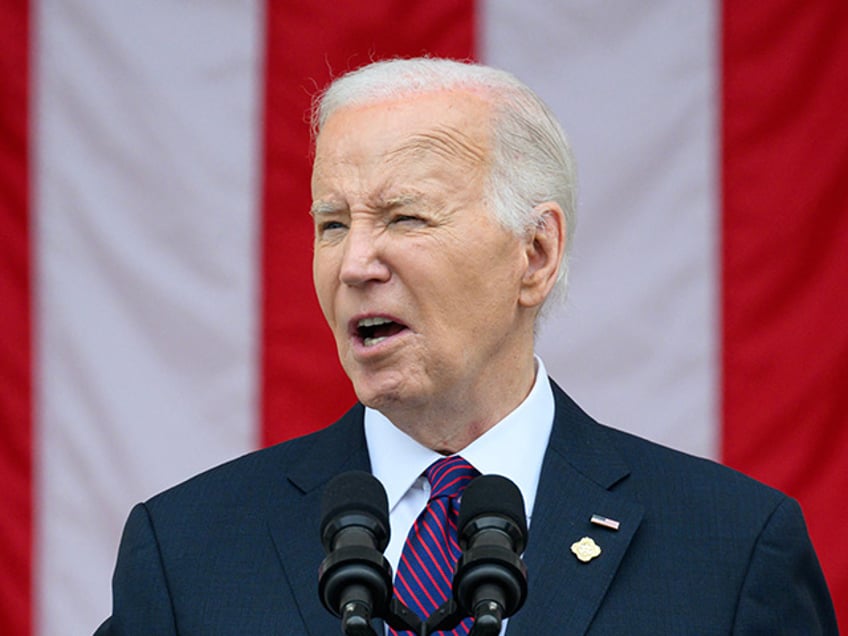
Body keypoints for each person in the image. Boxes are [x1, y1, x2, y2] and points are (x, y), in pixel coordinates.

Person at [95, 57, 837, 635]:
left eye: (405, 217)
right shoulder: (188, 552)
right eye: (332, 223)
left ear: (536, 254)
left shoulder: (731, 550)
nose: (355, 264)